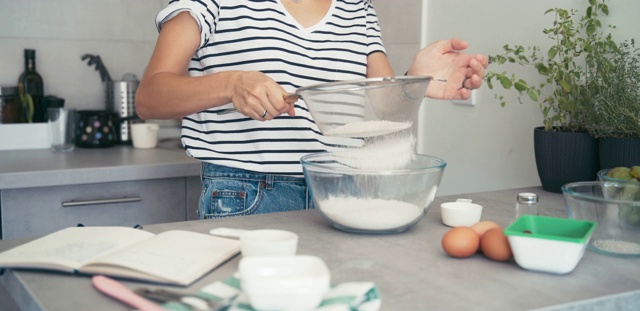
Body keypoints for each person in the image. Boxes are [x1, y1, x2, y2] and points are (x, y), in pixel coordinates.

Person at [136, 0, 488, 219]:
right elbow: (149, 97)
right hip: (248, 195)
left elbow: (383, 114)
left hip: (343, 194)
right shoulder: (210, 3)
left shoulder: (358, 10)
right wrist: (231, 84)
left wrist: (417, 80)